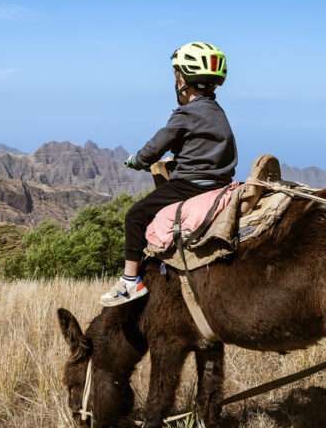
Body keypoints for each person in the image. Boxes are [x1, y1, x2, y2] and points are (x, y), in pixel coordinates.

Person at [100, 41, 237, 306]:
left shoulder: (185, 113)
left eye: (177, 76)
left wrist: (138, 160)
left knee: (136, 215)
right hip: (220, 183)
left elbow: (156, 146)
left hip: (191, 185)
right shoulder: (217, 112)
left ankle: (130, 282)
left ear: (183, 80)